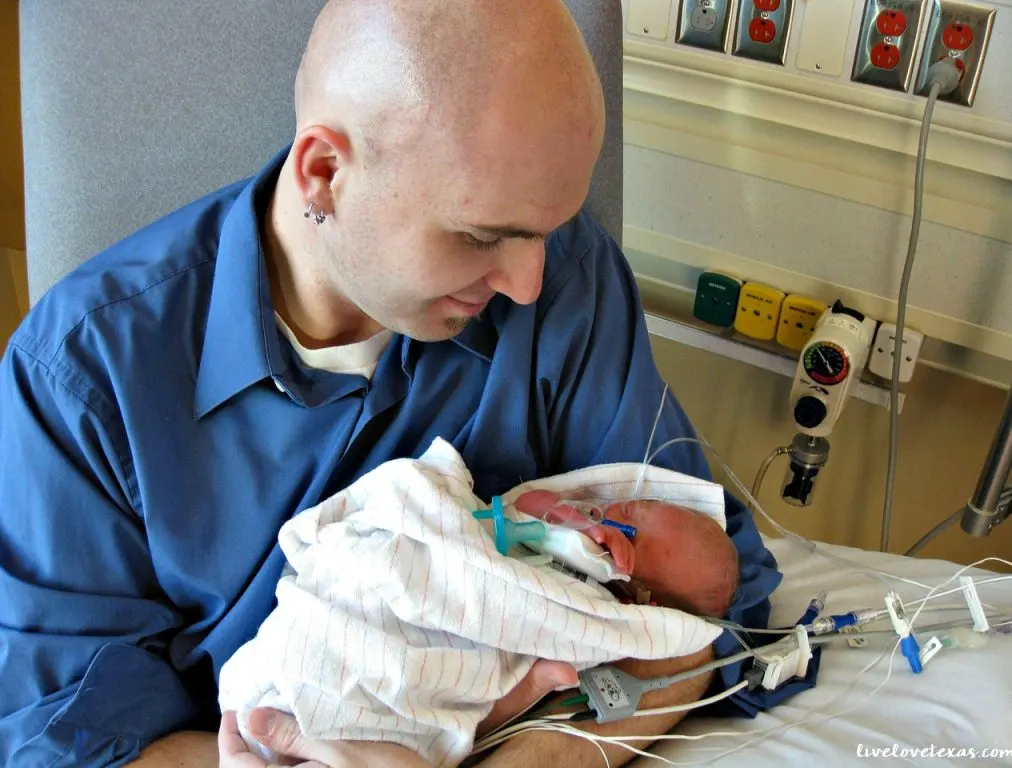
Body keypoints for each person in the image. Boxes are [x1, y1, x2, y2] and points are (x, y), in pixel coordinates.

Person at [0, 1, 785, 766]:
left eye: (544, 232)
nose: (526, 284)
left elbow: (708, 610)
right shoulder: (81, 377)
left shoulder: (569, 281)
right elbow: (64, 737)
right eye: (481, 237)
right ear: (324, 173)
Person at [216, 442, 742, 767]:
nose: (621, 510)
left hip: (426, 685)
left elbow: (488, 684)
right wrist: (572, 520)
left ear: (644, 597)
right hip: (404, 586)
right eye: (640, 505)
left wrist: (531, 686)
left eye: (638, 531)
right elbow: (522, 505)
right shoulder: (561, 528)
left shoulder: (588, 613)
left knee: (458, 697)